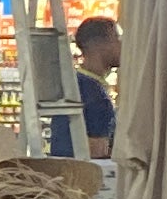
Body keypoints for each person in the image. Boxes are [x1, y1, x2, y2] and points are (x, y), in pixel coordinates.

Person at [43, 16, 120, 161]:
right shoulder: (93, 93)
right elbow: (97, 150)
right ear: (99, 44)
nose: (120, 45)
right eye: (116, 38)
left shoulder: (75, 84)